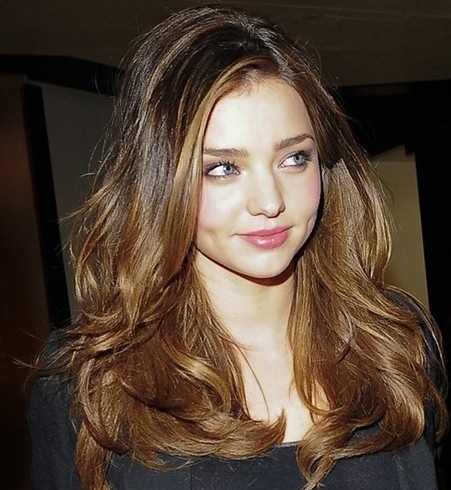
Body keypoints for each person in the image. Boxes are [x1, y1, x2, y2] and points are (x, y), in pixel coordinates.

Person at [28, 3, 448, 490]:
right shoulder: (89, 384)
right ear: (160, 183)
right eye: (223, 168)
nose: (270, 202)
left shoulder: (397, 341)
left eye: (294, 158)